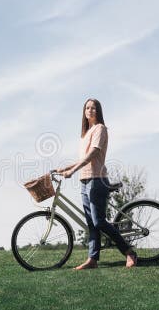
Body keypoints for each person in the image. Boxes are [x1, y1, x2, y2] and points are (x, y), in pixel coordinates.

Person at [56, 98, 137, 269]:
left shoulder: (100, 129)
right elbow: (83, 158)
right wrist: (65, 168)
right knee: (91, 223)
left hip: (97, 180)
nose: (90, 110)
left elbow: (93, 154)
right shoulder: (85, 134)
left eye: (93, 108)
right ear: (84, 112)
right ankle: (92, 259)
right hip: (85, 181)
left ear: (98, 111)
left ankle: (129, 252)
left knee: (99, 221)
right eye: (87, 108)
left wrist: (72, 171)